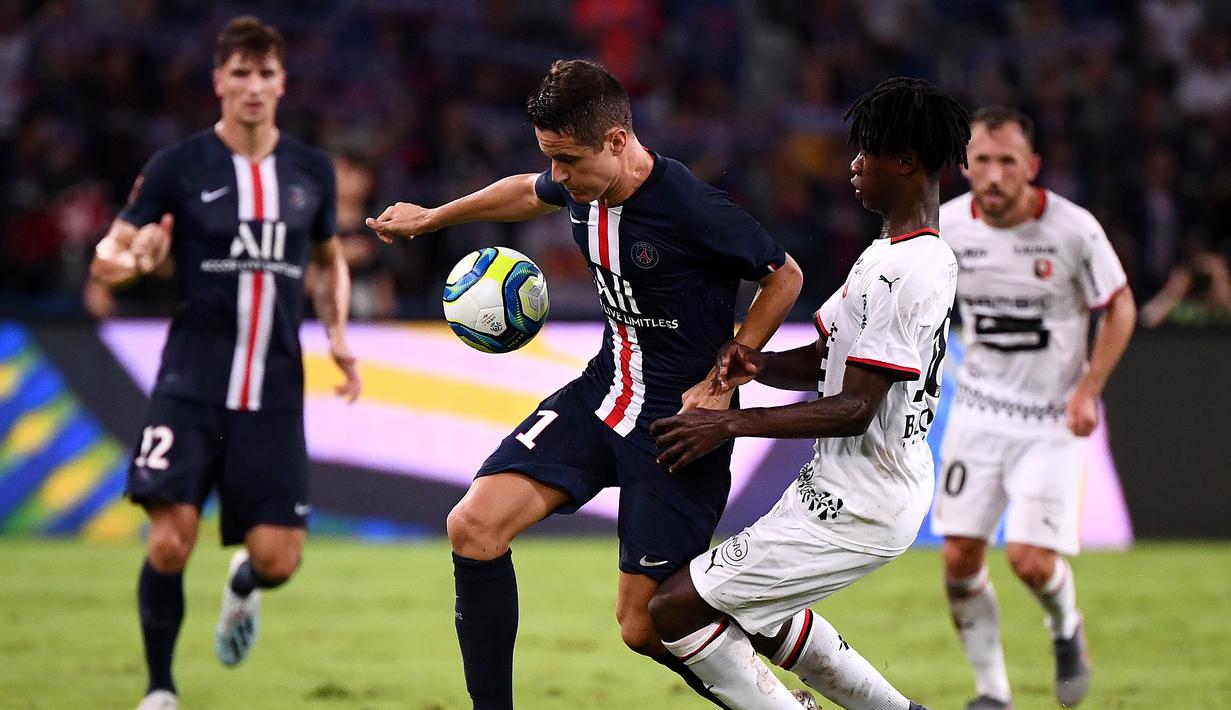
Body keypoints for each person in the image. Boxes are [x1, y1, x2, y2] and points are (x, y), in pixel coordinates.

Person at [367, 58, 802, 709]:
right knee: (473, 527)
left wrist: (723, 378)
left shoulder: (689, 206)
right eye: (552, 159)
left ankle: (777, 703)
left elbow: (784, 276)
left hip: (678, 426)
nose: (560, 177)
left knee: (645, 624)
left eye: (568, 160)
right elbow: (525, 190)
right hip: (602, 396)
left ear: (618, 142)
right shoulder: (579, 182)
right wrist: (433, 217)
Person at [647, 76, 968, 710]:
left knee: (673, 609)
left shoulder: (918, 268)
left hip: (865, 501)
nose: (851, 166)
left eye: (864, 152)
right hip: (836, 488)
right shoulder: (884, 256)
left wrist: (730, 425)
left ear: (905, 161)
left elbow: (855, 407)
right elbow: (827, 357)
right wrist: (757, 363)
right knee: (765, 614)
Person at [88, 17, 361, 710]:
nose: (252, 87)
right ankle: (159, 689)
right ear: (218, 82)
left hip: (272, 388)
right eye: (239, 73)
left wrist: (336, 336)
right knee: (170, 543)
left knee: (278, 560)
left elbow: (328, 264)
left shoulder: (310, 171)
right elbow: (107, 255)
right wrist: (135, 261)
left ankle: (243, 586)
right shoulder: (179, 166)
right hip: (192, 381)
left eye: (264, 73)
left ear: (281, 84)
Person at [931, 107, 1135, 710]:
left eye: (1007, 162)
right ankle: (992, 693)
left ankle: (1066, 628)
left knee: (1027, 558)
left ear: (1032, 167)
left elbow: (1118, 306)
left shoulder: (1073, 230)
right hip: (976, 414)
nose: (992, 176)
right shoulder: (944, 228)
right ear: (965, 164)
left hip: (1051, 423)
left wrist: (1089, 389)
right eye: (982, 161)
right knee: (958, 560)